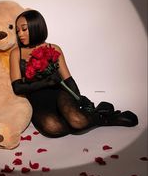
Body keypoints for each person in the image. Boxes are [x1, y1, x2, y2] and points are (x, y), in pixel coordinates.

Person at [10, 10, 138, 138]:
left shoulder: (54, 48)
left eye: (24, 29)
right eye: (17, 30)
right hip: (37, 100)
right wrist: (46, 82)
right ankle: (97, 113)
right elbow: (18, 87)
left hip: (59, 93)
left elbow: (68, 80)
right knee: (54, 128)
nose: (20, 34)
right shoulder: (16, 53)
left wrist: (78, 99)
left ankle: (105, 119)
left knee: (78, 121)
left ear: (36, 27)